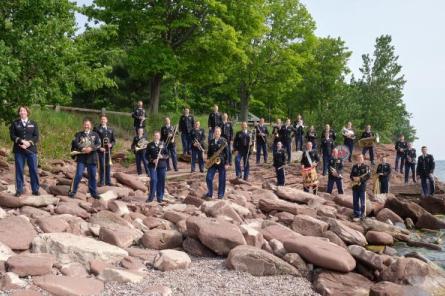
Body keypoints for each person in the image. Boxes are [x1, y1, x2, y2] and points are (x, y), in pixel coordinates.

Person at [9, 106, 40, 197]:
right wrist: (21, 141)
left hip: (31, 150)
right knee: (19, 170)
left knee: (33, 169)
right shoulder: (15, 123)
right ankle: (19, 190)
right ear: (19, 113)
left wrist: (28, 143)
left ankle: (35, 190)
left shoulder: (33, 123)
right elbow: (12, 136)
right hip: (19, 150)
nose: (22, 112)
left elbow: (36, 137)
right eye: (20, 111)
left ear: (27, 112)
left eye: (24, 111)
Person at [69, 118, 101, 199]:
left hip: (92, 157)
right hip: (81, 158)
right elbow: (75, 143)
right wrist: (82, 148)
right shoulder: (78, 134)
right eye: (85, 124)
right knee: (79, 174)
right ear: (83, 125)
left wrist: (91, 148)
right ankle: (73, 191)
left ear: (90, 126)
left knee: (92, 176)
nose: (86, 126)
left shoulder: (95, 134)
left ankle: (93, 193)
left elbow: (99, 144)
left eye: (88, 125)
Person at [205, 127, 229, 200]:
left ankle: (220, 194)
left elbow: (228, 153)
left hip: (221, 162)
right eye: (215, 132)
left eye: (218, 132)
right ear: (214, 133)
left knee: (222, 179)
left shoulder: (224, 141)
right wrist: (208, 159)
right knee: (208, 178)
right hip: (212, 163)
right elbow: (209, 152)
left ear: (220, 133)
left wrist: (227, 163)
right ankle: (210, 193)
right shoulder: (211, 141)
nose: (216, 133)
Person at [146, 131, 169, 203]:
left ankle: (160, 197)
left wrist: (162, 156)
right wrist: (152, 160)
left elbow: (168, 154)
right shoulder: (150, 145)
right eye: (155, 136)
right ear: (153, 136)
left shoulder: (163, 144)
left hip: (162, 165)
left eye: (157, 136)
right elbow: (146, 155)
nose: (156, 137)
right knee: (153, 180)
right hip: (152, 166)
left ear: (159, 136)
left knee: (161, 181)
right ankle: (151, 197)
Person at [94, 114, 116, 186]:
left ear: (107, 120)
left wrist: (111, 145)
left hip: (108, 151)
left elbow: (113, 140)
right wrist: (100, 147)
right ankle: (101, 181)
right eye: (102, 119)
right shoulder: (96, 129)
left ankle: (108, 181)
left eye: (104, 119)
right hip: (101, 151)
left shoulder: (110, 129)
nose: (103, 120)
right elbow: (94, 140)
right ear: (100, 121)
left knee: (108, 166)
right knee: (102, 166)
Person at [350, 154, 371, 221]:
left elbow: (368, 176)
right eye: (358, 158)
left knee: (362, 202)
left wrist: (360, 179)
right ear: (357, 159)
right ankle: (356, 213)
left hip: (362, 187)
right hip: (355, 186)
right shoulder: (354, 166)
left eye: (361, 158)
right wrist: (353, 179)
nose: (360, 159)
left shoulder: (366, 167)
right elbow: (351, 175)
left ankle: (362, 214)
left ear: (363, 159)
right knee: (355, 201)